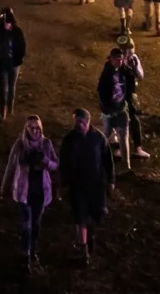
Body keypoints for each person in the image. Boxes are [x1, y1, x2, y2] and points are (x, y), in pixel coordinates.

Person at [3, 115, 59, 273]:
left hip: (41, 191)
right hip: (24, 191)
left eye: (37, 128)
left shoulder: (46, 144)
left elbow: (55, 164)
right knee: (26, 224)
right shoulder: (20, 144)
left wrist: (45, 161)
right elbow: (10, 165)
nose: (34, 131)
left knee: (36, 224)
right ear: (26, 129)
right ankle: (26, 255)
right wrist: (5, 186)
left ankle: (33, 249)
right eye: (31, 127)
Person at [59, 109, 114, 266]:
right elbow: (63, 163)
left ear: (88, 122)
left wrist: (110, 181)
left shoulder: (98, 138)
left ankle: (89, 237)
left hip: (96, 186)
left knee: (94, 215)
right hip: (77, 186)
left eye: (82, 122)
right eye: (77, 122)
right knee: (80, 216)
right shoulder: (69, 140)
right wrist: (62, 183)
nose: (79, 125)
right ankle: (83, 251)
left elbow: (108, 161)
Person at [96, 44, 140, 167]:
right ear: (111, 59)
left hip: (121, 108)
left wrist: (133, 67)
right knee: (105, 135)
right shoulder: (106, 73)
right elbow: (101, 92)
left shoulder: (124, 70)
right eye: (116, 59)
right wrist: (106, 109)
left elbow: (132, 80)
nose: (119, 62)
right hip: (109, 111)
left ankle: (127, 165)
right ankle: (96, 159)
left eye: (121, 59)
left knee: (124, 136)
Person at [0, 8, 27, 121]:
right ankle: (3, 111)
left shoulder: (17, 32)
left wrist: (19, 58)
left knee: (12, 86)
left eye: (8, 22)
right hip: (1, 64)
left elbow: (22, 47)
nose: (6, 24)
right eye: (4, 22)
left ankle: (11, 109)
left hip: (14, 64)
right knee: (3, 88)